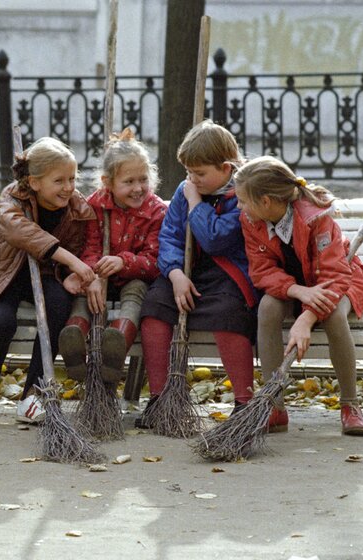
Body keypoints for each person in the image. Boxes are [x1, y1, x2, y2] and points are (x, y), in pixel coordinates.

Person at [0, 137, 96, 423]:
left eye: (72, 178)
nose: (68, 187)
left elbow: (79, 247)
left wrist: (68, 277)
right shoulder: (13, 197)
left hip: (45, 275)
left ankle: (33, 393)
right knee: (1, 320)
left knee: (58, 305)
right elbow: (17, 230)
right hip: (4, 275)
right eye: (59, 180)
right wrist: (71, 261)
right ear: (34, 182)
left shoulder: (77, 208)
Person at [234, 155, 363, 436]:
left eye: (243, 200)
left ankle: (350, 403)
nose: (239, 206)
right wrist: (299, 291)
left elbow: (335, 276)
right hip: (294, 286)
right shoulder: (251, 219)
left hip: (339, 283)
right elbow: (261, 270)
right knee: (267, 308)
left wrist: (306, 319)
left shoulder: (317, 216)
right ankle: (273, 405)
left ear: (265, 201)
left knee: (335, 315)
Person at [136, 120, 258, 429]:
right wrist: (175, 273)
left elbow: (215, 238)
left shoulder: (243, 194)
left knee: (228, 313)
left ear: (227, 167)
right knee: (154, 308)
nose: (192, 179)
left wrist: (195, 203)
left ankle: (244, 402)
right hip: (187, 270)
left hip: (228, 273)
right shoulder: (186, 189)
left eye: (200, 173)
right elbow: (170, 236)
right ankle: (160, 399)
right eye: (189, 172)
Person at [58, 128, 166, 385]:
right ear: (107, 182)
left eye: (143, 179)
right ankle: (74, 334)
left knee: (137, 291)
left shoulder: (156, 211)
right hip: (100, 277)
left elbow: (155, 260)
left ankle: (117, 342)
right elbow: (91, 245)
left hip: (134, 276)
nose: (139, 188)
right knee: (85, 290)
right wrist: (92, 273)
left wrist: (124, 262)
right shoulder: (97, 205)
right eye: (129, 182)